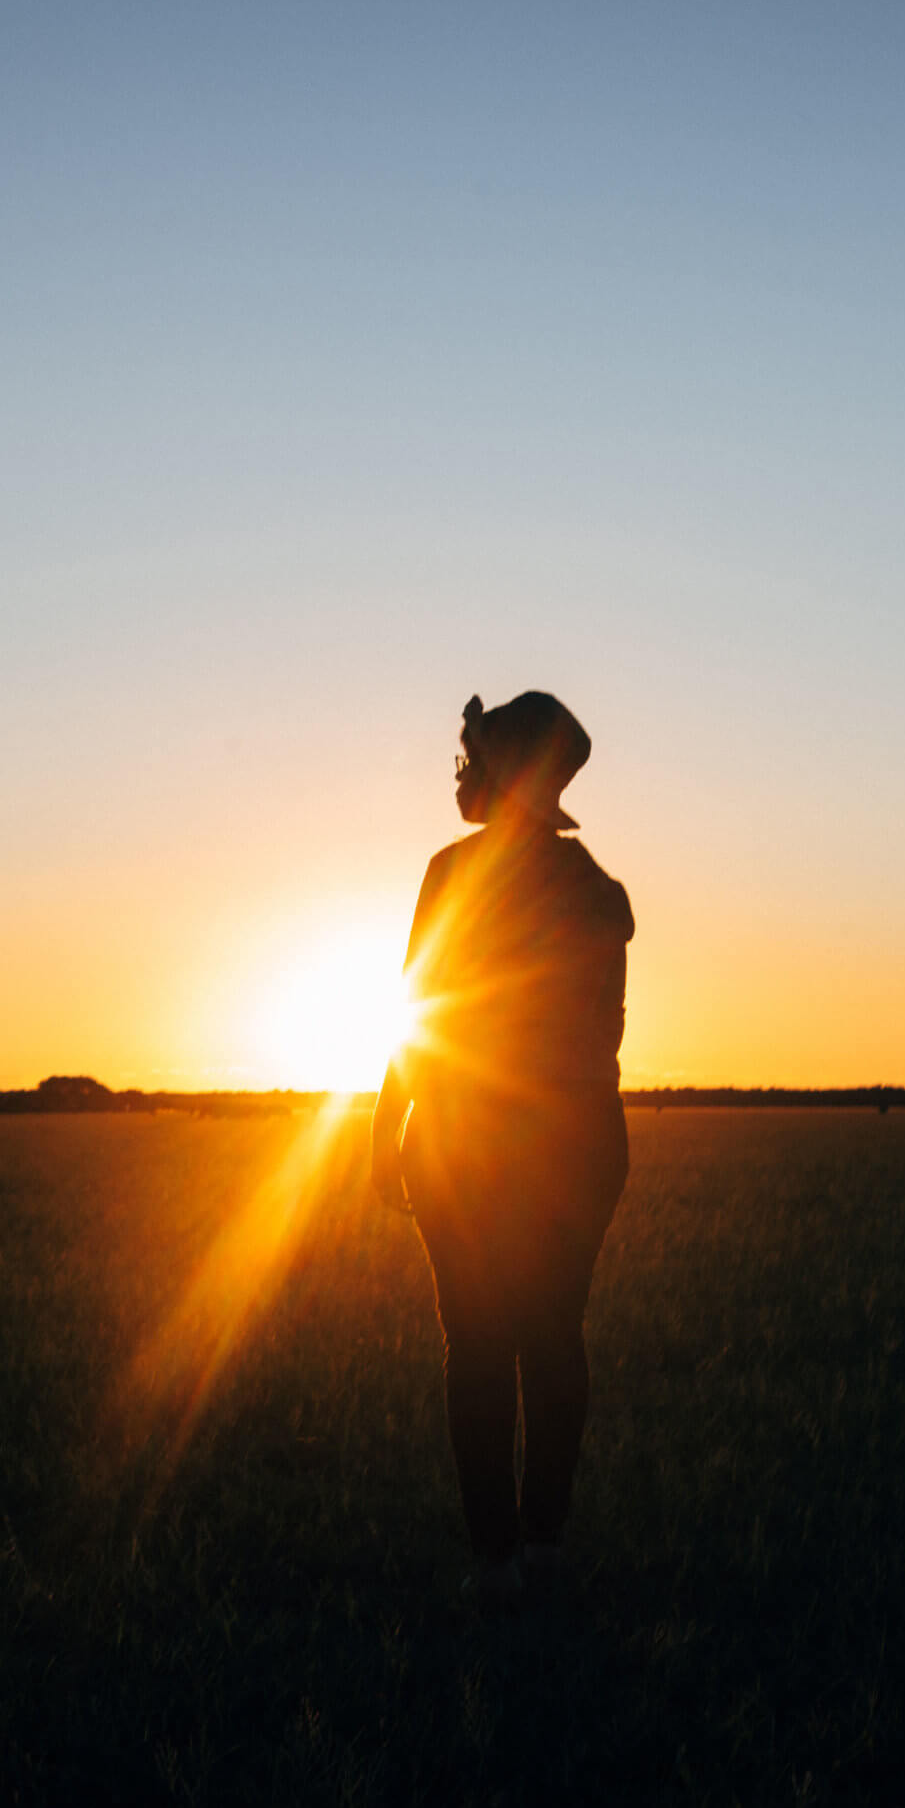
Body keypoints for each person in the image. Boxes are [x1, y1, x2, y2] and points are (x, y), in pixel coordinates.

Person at [370, 690, 633, 1610]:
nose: (459, 770)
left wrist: (384, 1131)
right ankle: (545, 1544)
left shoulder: (450, 875)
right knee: (552, 1339)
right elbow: (605, 1041)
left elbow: (419, 1014)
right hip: (576, 1143)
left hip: (464, 1144)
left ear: (500, 776)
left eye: (472, 756)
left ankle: (495, 1562)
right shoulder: (602, 894)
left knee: (478, 1348)